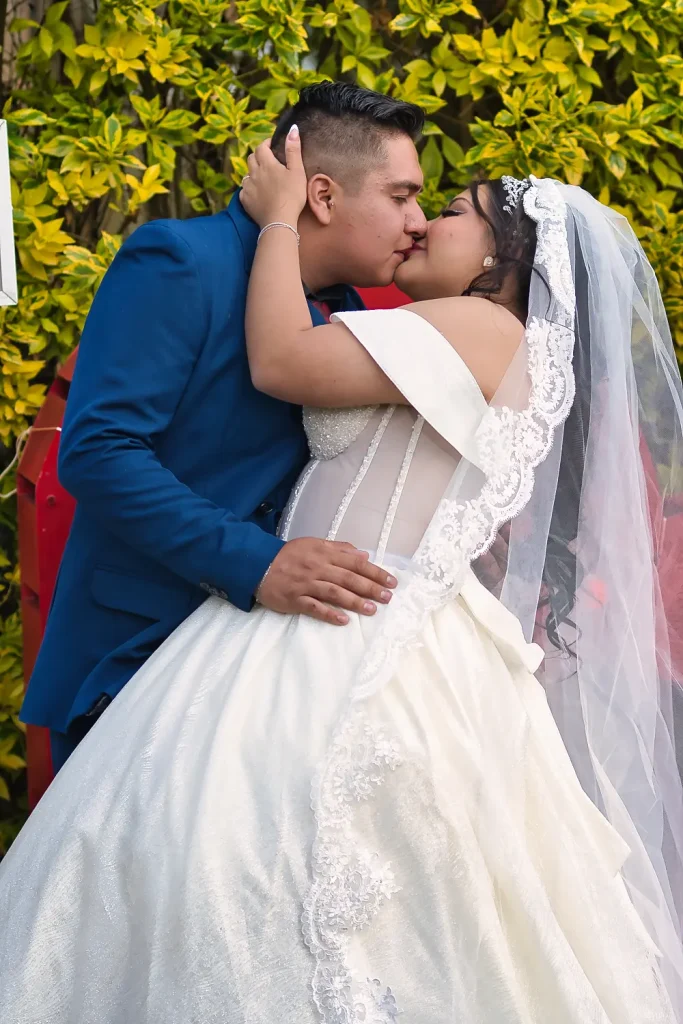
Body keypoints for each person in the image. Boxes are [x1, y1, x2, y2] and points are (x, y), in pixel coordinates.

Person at [2, 132, 683, 1024]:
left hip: (353, 625)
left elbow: (281, 362)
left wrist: (276, 217)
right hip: (343, 613)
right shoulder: (446, 329)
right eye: (408, 198)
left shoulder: (479, 325)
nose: (418, 222)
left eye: (444, 211)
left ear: (499, 260)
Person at [19, 83, 428, 773]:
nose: (417, 221)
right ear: (321, 196)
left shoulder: (358, 308)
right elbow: (98, 452)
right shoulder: (179, 260)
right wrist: (257, 562)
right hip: (137, 659)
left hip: (276, 681)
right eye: (400, 196)